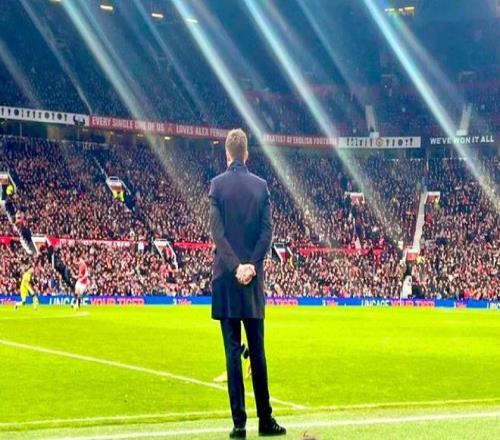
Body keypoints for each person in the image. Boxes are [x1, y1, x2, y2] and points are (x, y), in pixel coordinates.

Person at [209, 129, 286, 438]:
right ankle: (266, 420)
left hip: (227, 280)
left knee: (232, 351)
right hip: (252, 283)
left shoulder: (217, 186)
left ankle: (239, 424)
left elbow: (217, 234)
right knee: (257, 351)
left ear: (227, 154)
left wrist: (235, 266)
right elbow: (267, 233)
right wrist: (251, 266)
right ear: (247, 154)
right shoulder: (261, 187)